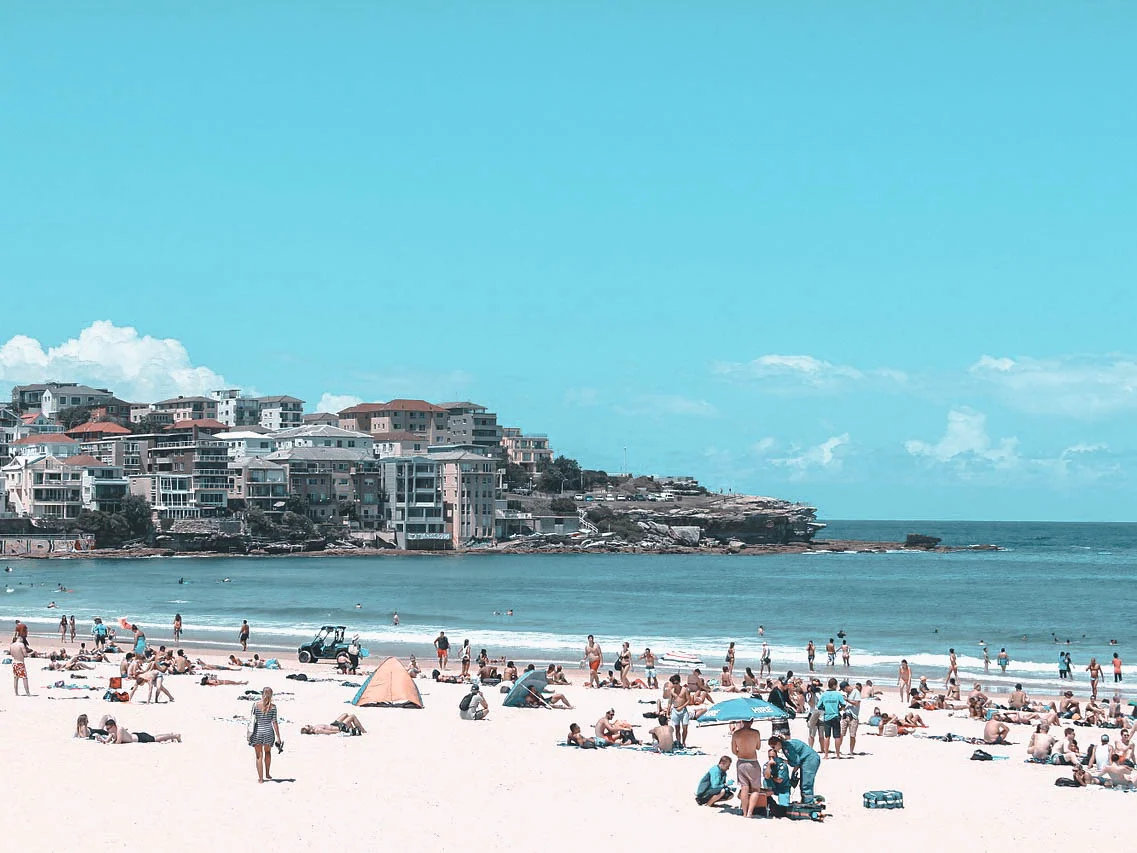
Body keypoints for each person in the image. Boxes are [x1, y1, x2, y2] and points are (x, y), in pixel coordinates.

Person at [768, 735, 821, 804]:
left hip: (810, 760)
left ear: (778, 743)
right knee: (803, 783)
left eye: (773, 747)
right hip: (806, 760)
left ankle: (809, 802)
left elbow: (795, 762)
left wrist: (786, 761)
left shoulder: (787, 748)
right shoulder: (786, 745)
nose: (774, 750)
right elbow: (797, 761)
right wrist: (793, 773)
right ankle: (805, 800)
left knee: (806, 784)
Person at [732, 719, 765, 817]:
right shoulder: (756, 733)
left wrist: (740, 753)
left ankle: (744, 812)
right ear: (751, 722)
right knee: (755, 789)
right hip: (752, 761)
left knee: (744, 787)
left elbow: (734, 750)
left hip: (741, 761)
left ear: (742, 722)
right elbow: (758, 747)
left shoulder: (736, 734)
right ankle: (750, 812)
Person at [249, 687, 282, 783]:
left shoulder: (256, 705)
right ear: (271, 695)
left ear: (262, 694)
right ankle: (267, 774)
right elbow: (274, 722)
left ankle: (260, 779)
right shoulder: (273, 707)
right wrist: (278, 737)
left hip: (257, 732)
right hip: (268, 732)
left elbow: (252, 719)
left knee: (259, 756)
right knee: (268, 753)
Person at [817, 677, 847, 759]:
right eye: (836, 685)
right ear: (834, 685)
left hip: (827, 716)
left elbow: (819, 706)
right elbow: (843, 705)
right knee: (837, 736)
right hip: (835, 716)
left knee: (827, 736)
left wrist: (825, 709)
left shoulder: (824, 695)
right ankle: (837, 755)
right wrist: (839, 709)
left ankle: (826, 755)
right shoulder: (838, 694)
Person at [99, 717, 180, 744]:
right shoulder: (112, 732)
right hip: (135, 735)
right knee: (155, 737)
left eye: (108, 728)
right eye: (107, 729)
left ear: (113, 726)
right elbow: (107, 741)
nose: (107, 730)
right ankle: (170, 735)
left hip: (139, 738)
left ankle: (175, 736)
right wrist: (102, 739)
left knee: (155, 739)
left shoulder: (120, 729)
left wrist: (111, 743)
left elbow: (118, 742)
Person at [666, 674, 692, 748]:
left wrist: (681, 707)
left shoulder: (684, 690)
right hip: (675, 710)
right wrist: (667, 712)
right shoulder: (672, 691)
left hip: (683, 711)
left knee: (685, 728)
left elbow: (688, 700)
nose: (675, 685)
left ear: (679, 682)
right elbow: (670, 702)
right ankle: (678, 742)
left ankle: (683, 742)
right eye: (674, 683)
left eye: (676, 683)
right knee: (677, 728)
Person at [842, 681, 861, 756]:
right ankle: (838, 750)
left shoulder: (856, 692)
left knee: (852, 735)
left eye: (843, 690)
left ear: (846, 687)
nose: (844, 691)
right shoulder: (848, 694)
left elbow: (857, 703)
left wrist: (847, 700)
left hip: (853, 717)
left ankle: (851, 751)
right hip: (845, 715)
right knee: (841, 734)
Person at [301, 714, 367, 735]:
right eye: (308, 726)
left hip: (333, 724)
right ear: (309, 730)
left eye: (307, 725)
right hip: (338, 728)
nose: (308, 725)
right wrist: (339, 731)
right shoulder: (317, 730)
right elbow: (328, 732)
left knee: (345, 714)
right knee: (352, 716)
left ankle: (352, 728)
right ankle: (363, 731)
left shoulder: (315, 727)